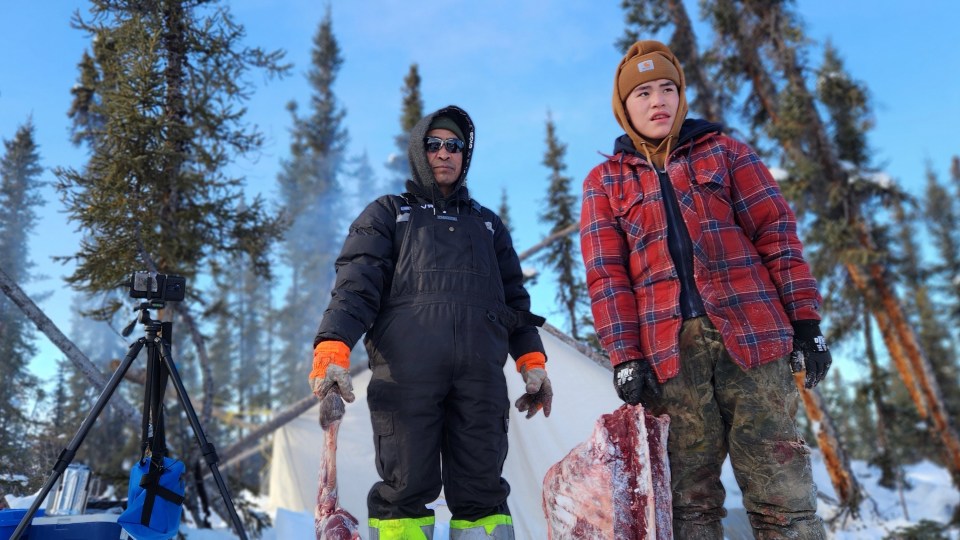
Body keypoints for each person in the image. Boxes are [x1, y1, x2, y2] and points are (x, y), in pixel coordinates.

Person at [580, 40, 832, 539]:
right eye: (644, 93)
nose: (658, 102)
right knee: (688, 503)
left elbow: (776, 235)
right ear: (623, 106)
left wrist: (806, 323)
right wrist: (625, 355)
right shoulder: (604, 183)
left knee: (782, 490)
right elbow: (607, 278)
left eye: (668, 89)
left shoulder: (728, 152)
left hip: (754, 341)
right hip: (669, 358)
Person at [308, 105, 552, 540]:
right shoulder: (388, 214)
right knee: (404, 490)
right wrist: (332, 347)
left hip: (480, 381)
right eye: (434, 144)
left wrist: (532, 360)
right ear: (420, 151)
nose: (444, 153)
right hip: (406, 377)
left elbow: (514, 299)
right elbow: (355, 288)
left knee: (484, 492)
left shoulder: (488, 226)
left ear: (465, 155)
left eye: (454, 145)